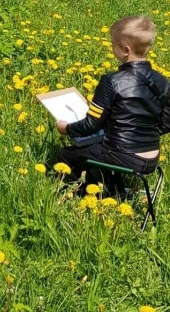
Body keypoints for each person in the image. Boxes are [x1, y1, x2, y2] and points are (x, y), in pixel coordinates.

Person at [54, 15, 170, 190]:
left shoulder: (112, 81)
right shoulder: (162, 81)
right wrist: (144, 133)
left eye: (112, 44)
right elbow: (167, 122)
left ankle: (73, 195)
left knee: (65, 155)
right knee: (101, 146)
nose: (111, 47)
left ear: (125, 50)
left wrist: (67, 128)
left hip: (121, 155)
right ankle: (113, 189)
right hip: (152, 158)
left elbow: (91, 124)